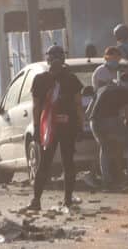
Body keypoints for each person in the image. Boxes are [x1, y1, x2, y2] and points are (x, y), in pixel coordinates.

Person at [29, 45, 84, 211]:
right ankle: (67, 200)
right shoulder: (72, 79)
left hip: (48, 128)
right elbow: (78, 105)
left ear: (48, 60)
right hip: (68, 127)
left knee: (44, 163)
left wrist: (37, 128)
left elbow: (36, 106)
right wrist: (80, 126)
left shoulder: (39, 79)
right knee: (68, 163)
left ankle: (36, 201)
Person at [87, 69, 128, 190]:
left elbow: (88, 112)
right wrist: (127, 125)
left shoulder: (103, 88)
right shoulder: (126, 92)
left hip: (94, 122)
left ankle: (106, 180)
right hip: (110, 120)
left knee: (105, 148)